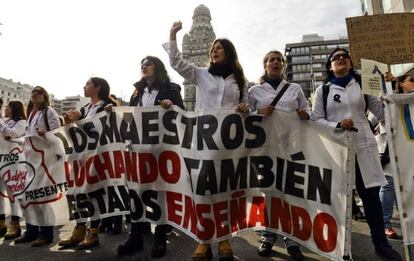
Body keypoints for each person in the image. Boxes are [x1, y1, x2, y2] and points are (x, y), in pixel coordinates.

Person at [164, 21, 250, 261]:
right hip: (203, 141)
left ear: (229, 52)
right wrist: (172, 34)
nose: (214, 49)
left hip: (229, 143)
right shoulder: (201, 74)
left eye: (219, 47)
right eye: (213, 47)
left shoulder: (241, 81)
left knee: (226, 191)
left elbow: (248, 106)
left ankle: (224, 240)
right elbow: (177, 63)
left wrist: (245, 108)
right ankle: (203, 241)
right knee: (202, 190)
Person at [311, 48, 402, 261]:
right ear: (330, 66)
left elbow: (382, 114)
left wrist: (390, 88)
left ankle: (381, 243)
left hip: (363, 148)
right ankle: (340, 248)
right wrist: (336, 124)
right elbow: (315, 120)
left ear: (351, 63)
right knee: (339, 200)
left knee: (371, 199)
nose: (341, 59)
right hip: (336, 150)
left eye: (345, 56)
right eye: (336, 58)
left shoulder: (363, 84)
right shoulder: (322, 91)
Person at [117, 55, 184, 258]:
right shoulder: (137, 92)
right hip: (139, 148)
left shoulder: (172, 88)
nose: (144, 67)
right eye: (142, 65)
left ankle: (160, 238)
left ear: (158, 67)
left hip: (162, 148)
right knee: (138, 193)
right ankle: (136, 237)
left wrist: (170, 106)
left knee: (160, 193)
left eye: (148, 64)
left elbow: (182, 113)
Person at [248, 50, 308, 260]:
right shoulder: (255, 91)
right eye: (270, 60)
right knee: (269, 194)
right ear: (265, 66)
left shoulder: (295, 89)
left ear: (283, 65)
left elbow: (307, 112)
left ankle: (292, 239)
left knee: (290, 194)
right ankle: (268, 235)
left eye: (278, 60)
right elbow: (245, 117)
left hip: (290, 148)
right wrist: (258, 113)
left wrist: (304, 114)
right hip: (265, 149)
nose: (275, 62)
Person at [59, 77, 117, 249]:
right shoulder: (85, 108)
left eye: (88, 84)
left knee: (94, 194)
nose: (84, 87)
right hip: (81, 157)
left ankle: (93, 231)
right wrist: (70, 124)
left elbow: (99, 134)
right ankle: (79, 229)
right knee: (78, 193)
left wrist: (80, 122)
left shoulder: (108, 107)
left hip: (98, 157)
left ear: (98, 87)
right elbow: (78, 136)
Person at [14, 86, 61, 247]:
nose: (35, 94)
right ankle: (31, 231)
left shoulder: (49, 112)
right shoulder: (30, 114)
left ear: (45, 96)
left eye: (39, 92)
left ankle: (46, 234)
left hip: (45, 160)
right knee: (28, 197)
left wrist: (46, 134)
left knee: (42, 197)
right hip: (30, 161)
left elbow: (58, 134)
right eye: (33, 92)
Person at [0, 100, 27, 240]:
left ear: (14, 109)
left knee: (12, 193)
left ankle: (15, 224)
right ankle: (1, 223)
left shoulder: (22, 122)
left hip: (14, 161)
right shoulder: (6, 121)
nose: (5, 108)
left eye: (8, 107)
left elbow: (13, 134)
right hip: (1, 159)